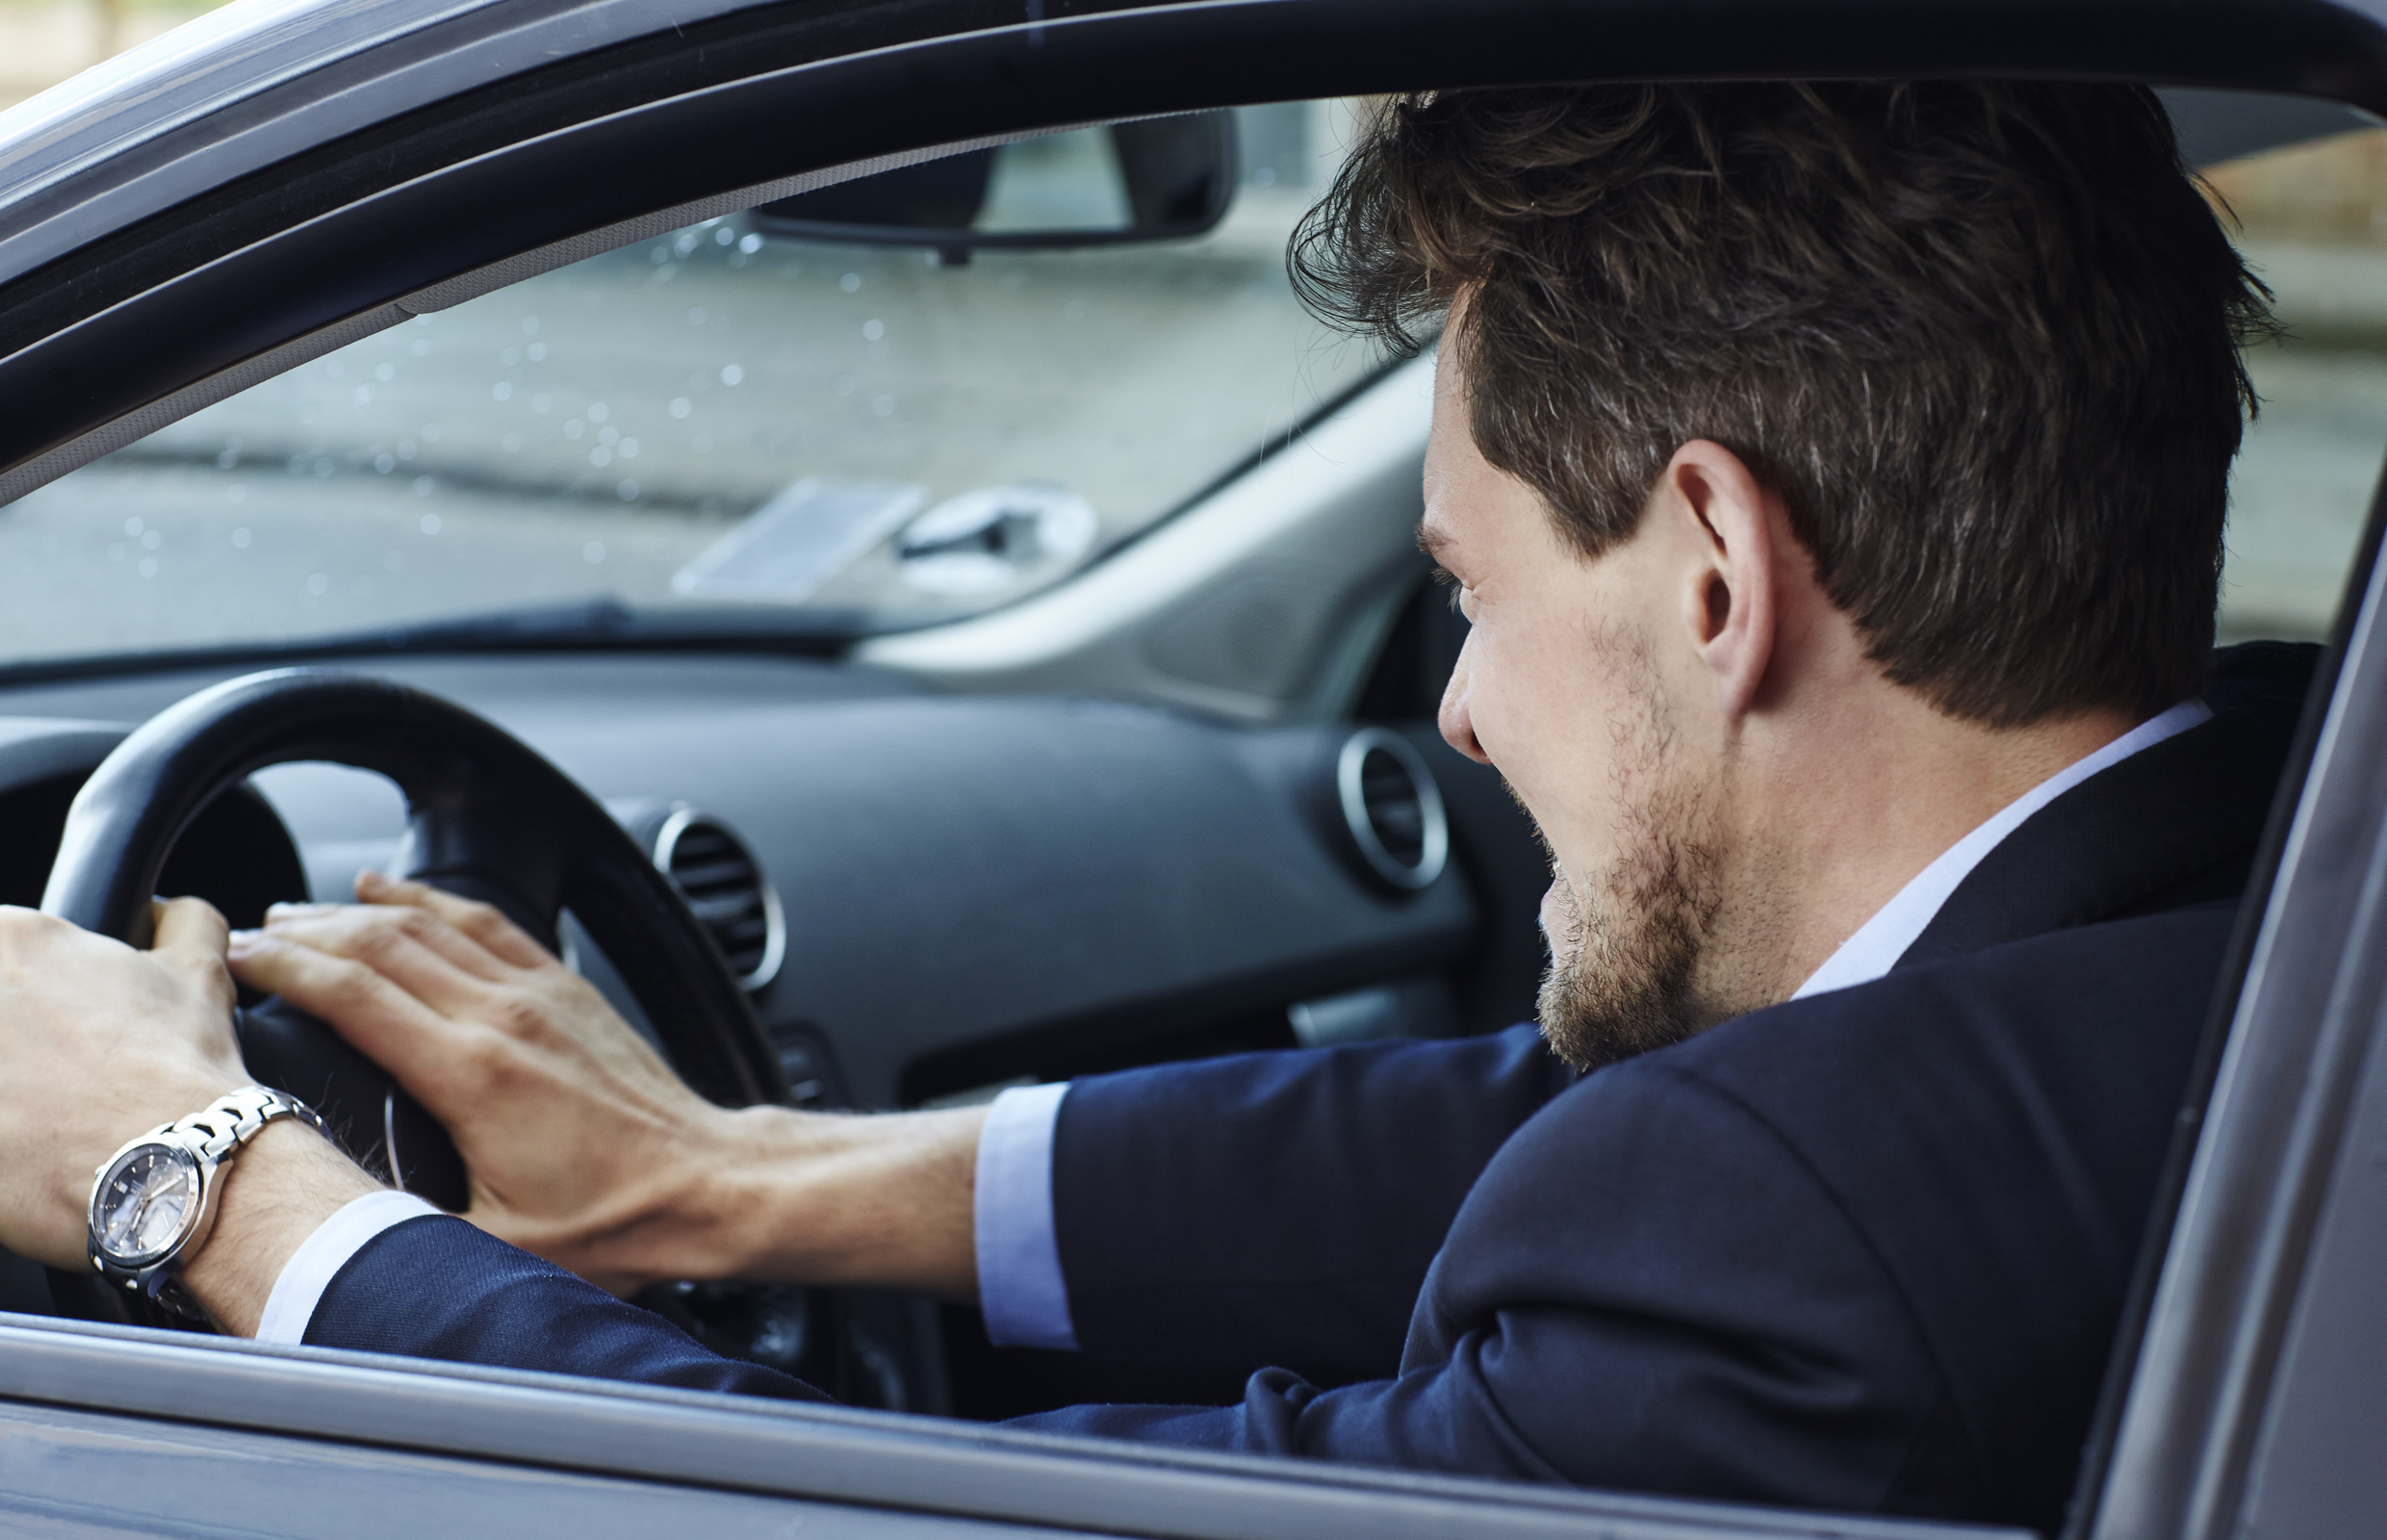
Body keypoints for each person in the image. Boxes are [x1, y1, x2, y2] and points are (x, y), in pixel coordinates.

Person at [0, 81, 2303, 1531]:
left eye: (1465, 596)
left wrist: (200, 1178)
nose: (1468, 720)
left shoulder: (1815, 1250)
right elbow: (1548, 1138)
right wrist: (743, 1176)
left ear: (1713, 570)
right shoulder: (2260, 883)